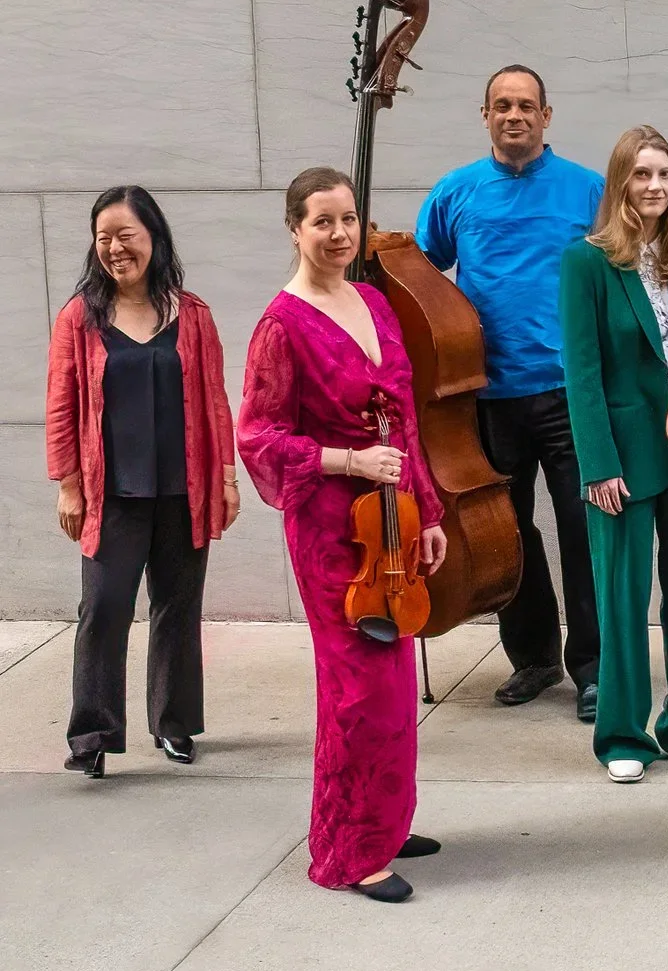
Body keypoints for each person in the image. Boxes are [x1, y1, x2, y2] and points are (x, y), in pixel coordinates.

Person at [237, 168, 447, 903]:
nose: (338, 234)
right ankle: (351, 853)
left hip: (392, 523)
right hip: (332, 528)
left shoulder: (374, 302)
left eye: (348, 219)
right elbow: (259, 436)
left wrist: (428, 513)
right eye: (322, 221)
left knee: (396, 679)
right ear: (294, 229)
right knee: (359, 688)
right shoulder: (281, 325)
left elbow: (405, 419)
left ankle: (383, 822)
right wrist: (347, 460)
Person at [416, 66, 606, 720]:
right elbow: (419, 277)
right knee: (507, 533)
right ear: (486, 115)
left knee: (583, 529)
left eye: (526, 105)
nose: (514, 115)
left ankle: (594, 667)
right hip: (486, 396)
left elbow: (621, 278)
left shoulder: (588, 189)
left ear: (546, 116)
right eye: (502, 105)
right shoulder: (456, 192)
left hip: (570, 394)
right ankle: (534, 657)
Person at [46, 187, 239, 777]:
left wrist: (227, 478)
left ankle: (174, 725)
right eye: (103, 237)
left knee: (177, 608)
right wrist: (68, 484)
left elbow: (216, 402)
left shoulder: (193, 314)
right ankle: (92, 735)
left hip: (185, 489)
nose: (114, 248)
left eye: (125, 235)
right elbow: (61, 406)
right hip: (112, 494)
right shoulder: (80, 317)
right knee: (103, 607)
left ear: (154, 237)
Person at [558, 126, 668, 783]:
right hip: (622, 458)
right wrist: (596, 464)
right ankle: (624, 732)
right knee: (622, 599)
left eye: (665, 174)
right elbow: (581, 370)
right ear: (620, 180)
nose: (655, 186)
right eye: (642, 174)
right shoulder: (586, 262)